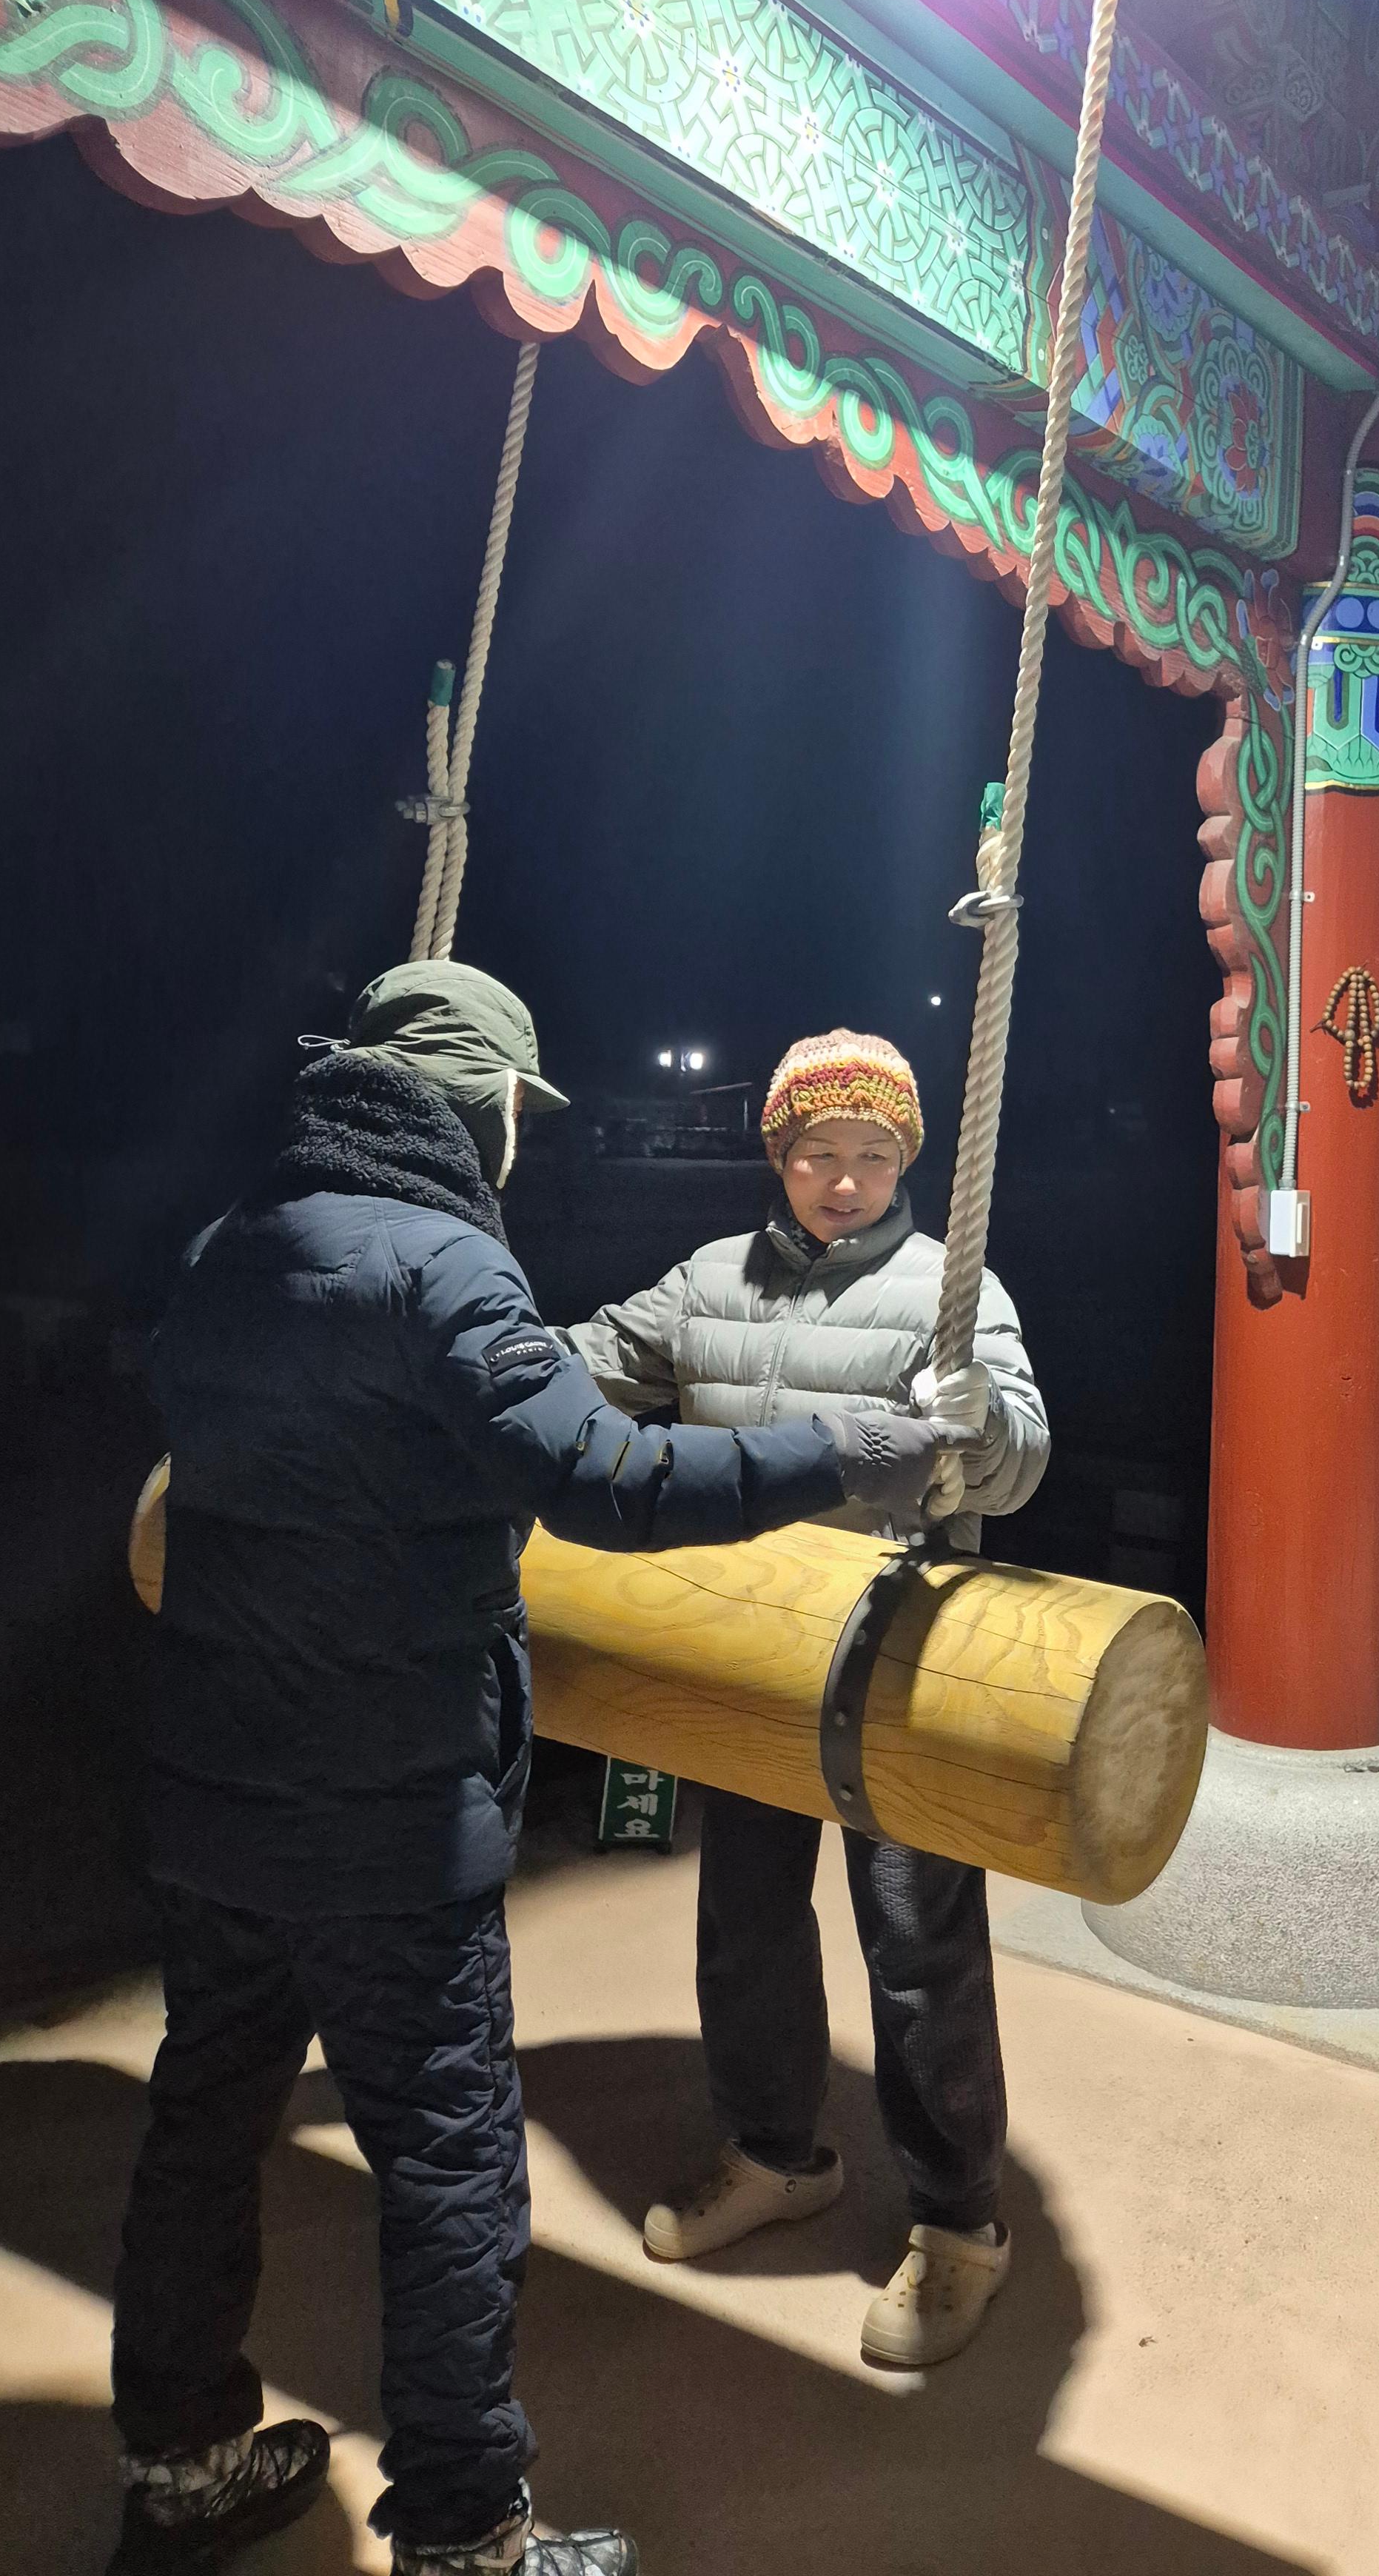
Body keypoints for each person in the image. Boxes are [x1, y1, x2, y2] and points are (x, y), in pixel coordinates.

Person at [108, 966, 967, 2576]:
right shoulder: (447, 1265)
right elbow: (610, 1479)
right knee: (448, 2171)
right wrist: (844, 1451)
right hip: (389, 1816)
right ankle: (467, 2533)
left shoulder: (227, 1248)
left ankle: (182, 2459)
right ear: (483, 1105)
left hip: (212, 1796)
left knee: (203, 2124)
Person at [565, 1028, 1049, 2371]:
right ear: (777, 1155)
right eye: (818, 1153)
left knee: (918, 1943)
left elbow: (1020, 1461)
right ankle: (777, 2152)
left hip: (895, 1656)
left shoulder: (949, 1289)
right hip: (748, 1651)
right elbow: (584, 1362)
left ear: (907, 1159)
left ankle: (960, 2223)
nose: (845, 1182)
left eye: (873, 1156)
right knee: (747, 1920)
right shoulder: (707, 1281)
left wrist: (982, 1422)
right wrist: (461, 1343)